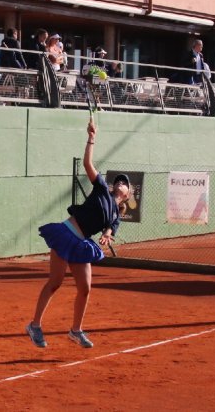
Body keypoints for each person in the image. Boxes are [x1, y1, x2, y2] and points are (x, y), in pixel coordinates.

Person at [27, 119, 130, 350]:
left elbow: (111, 227)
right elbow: (87, 163)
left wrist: (106, 235)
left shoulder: (116, 214)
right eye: (119, 181)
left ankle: (75, 330)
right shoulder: (102, 187)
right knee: (55, 282)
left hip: (81, 244)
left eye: (125, 184)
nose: (121, 183)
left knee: (85, 288)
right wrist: (91, 137)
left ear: (128, 195)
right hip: (66, 233)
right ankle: (35, 325)